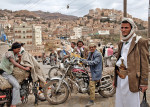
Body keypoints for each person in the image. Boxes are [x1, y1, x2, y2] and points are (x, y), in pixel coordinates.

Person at [114, 18, 149, 107]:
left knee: (132, 103)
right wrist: (115, 80)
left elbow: (145, 64)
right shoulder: (121, 43)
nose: (123, 30)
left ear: (132, 28)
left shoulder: (140, 41)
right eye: (122, 28)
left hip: (132, 79)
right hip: (120, 77)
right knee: (120, 103)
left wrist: (144, 83)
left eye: (126, 28)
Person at [0, 42, 30, 107]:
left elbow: (17, 62)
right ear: (14, 49)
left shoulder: (14, 54)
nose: (19, 50)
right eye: (18, 49)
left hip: (8, 72)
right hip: (5, 73)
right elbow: (15, 64)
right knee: (16, 86)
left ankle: (12, 99)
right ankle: (13, 104)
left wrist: (19, 58)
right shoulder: (9, 53)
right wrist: (25, 68)